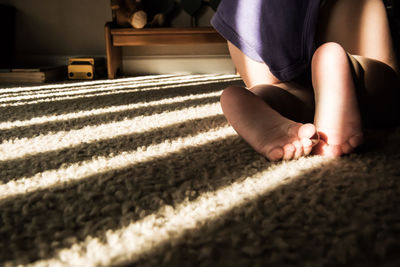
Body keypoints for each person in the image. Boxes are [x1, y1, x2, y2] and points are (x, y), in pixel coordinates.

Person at [211, 0, 400, 161]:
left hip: (251, 11)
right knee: (383, 88)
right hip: (338, 5)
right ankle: (344, 66)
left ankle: (258, 98)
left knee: (284, 92)